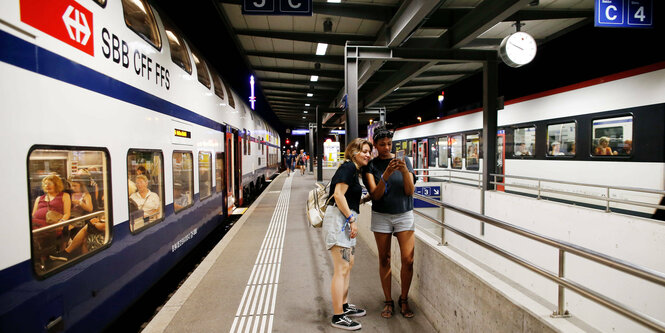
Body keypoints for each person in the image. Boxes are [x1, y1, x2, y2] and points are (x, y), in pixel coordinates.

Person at [362, 125, 417, 319]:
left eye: (389, 144)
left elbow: (410, 191)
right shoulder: (371, 166)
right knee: (384, 258)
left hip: (404, 214)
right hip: (382, 215)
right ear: (375, 145)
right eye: (382, 144)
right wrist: (385, 174)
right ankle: (388, 300)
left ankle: (404, 299)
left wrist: (403, 171)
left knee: (408, 260)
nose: (387, 148)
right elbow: (375, 195)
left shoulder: (405, 161)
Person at [324, 138, 372, 330]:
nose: (368, 154)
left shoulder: (353, 170)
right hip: (339, 221)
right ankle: (338, 316)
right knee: (341, 268)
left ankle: (343, 306)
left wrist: (366, 198)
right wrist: (351, 220)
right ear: (353, 152)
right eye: (364, 151)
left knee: (348, 265)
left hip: (343, 220)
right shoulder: (349, 168)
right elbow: (338, 195)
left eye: (369, 151)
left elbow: (348, 198)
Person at [31, 174, 71, 268]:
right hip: (37, 223)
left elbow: (67, 213)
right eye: (45, 184)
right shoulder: (39, 198)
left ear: (56, 184)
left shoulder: (64, 196)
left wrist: (61, 223)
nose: (46, 186)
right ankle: (39, 257)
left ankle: (43, 257)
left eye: (49, 183)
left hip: (53, 224)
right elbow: (33, 215)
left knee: (39, 234)